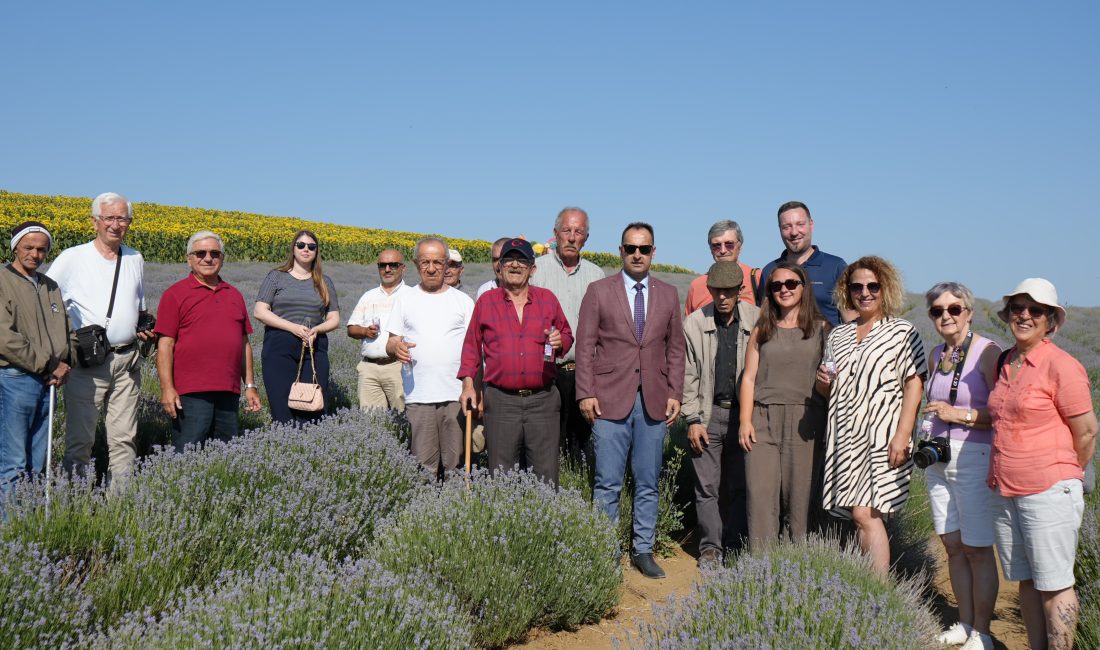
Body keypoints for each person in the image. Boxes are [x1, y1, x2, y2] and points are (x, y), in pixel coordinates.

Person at [987, 278, 1097, 650]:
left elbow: (1087, 432)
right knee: (1028, 581)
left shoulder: (1062, 365)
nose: (1025, 315)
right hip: (1006, 490)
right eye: (1018, 308)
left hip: (1048, 491)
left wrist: (1062, 474)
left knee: (1055, 585)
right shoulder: (1006, 361)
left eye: (1036, 310)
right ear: (1007, 314)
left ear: (1050, 321)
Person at [576, 222, 685, 579]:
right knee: (607, 482)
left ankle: (643, 549)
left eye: (644, 248)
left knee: (648, 481)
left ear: (653, 252)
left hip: (653, 400)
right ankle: (604, 553)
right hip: (609, 399)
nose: (637, 254)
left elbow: (675, 349)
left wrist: (675, 393)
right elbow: (585, 346)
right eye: (631, 248)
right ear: (620, 251)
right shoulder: (598, 291)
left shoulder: (668, 294)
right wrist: (585, 392)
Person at [815, 255, 925, 576]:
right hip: (846, 437)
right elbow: (828, 389)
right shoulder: (839, 335)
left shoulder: (901, 331)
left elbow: (914, 383)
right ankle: (870, 584)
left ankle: (879, 589)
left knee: (866, 514)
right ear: (847, 291)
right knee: (859, 515)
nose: (865, 293)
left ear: (885, 288)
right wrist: (823, 383)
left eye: (872, 286)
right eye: (857, 287)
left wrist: (903, 435)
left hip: (882, 438)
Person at [48, 192, 154, 485]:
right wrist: (61, 345)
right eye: (109, 218)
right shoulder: (72, 258)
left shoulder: (134, 258)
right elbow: (46, 302)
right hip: (87, 363)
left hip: (127, 360)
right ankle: (74, 498)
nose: (115, 225)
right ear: (95, 221)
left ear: (129, 223)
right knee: (80, 440)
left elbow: (140, 306)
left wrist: (146, 325)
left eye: (122, 218)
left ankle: (120, 501)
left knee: (125, 439)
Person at [918, 282, 1001, 650]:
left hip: (973, 457)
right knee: (952, 544)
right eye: (937, 311)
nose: (946, 316)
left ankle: (983, 632)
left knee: (977, 548)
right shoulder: (936, 354)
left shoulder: (988, 353)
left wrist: (959, 415)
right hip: (938, 459)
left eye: (954, 309)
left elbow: (1003, 412)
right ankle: (965, 623)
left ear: (969, 312)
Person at [459, 238, 573, 485]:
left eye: (522, 260)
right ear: (499, 267)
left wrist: (559, 341)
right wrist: (468, 386)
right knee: (501, 475)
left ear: (532, 269)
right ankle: (503, 512)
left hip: (542, 401)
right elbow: (471, 348)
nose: (514, 265)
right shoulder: (486, 302)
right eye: (508, 260)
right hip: (501, 401)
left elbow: (566, 334)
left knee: (545, 476)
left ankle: (543, 511)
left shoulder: (547, 299)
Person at [738, 263, 828, 553]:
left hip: (805, 420)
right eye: (776, 285)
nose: (784, 290)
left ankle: (793, 566)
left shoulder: (822, 329)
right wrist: (745, 421)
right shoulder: (762, 329)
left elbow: (830, 381)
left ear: (804, 287)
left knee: (798, 502)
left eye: (791, 283)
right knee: (760, 497)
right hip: (762, 419)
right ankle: (760, 566)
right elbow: (748, 378)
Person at [681, 261, 759, 566]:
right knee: (707, 487)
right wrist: (693, 419)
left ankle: (736, 545)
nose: (723, 297)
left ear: (740, 290)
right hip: (708, 413)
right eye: (717, 291)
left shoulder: (757, 319)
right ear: (710, 290)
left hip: (744, 416)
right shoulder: (694, 323)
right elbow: (688, 376)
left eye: (729, 291)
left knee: (741, 485)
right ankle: (710, 549)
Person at [154, 231, 261, 452]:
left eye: (215, 253)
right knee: (188, 450)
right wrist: (167, 388)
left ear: (222, 258)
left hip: (228, 390)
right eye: (200, 253)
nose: (208, 258)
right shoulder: (175, 294)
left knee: (225, 452)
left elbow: (244, 344)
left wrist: (250, 386)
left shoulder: (234, 295)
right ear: (189, 259)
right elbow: (165, 345)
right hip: (190, 391)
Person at [0, 222, 75, 505]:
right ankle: (9, 526)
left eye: (42, 249)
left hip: (48, 382)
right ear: (15, 248)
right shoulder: (3, 281)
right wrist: (49, 364)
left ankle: (28, 523)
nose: (35, 254)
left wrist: (65, 363)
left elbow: (66, 330)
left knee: (38, 460)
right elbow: (5, 339)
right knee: (13, 462)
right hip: (15, 380)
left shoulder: (49, 286)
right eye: (28, 247)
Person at [387, 237, 474, 477]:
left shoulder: (463, 302)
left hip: (455, 394)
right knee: (423, 465)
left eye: (438, 262)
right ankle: (426, 501)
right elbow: (391, 341)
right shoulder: (404, 299)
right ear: (416, 264)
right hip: (419, 395)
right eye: (425, 262)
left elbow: (475, 349)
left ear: (447, 264)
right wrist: (396, 347)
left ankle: (455, 500)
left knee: (456, 464)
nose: (432, 268)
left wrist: (474, 388)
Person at [531, 207, 605, 458]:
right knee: (547, 442)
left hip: (584, 373)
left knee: (580, 445)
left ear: (586, 238)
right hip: (547, 371)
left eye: (578, 232)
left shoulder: (596, 275)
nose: (572, 237)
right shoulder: (536, 270)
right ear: (555, 233)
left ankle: (577, 481)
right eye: (566, 231)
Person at [253, 230, 340, 425]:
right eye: (301, 245)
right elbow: (260, 311)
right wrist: (293, 327)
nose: (306, 249)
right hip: (279, 345)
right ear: (293, 249)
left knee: (313, 409)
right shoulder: (276, 277)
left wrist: (317, 330)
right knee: (282, 409)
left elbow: (334, 318)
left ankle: (310, 443)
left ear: (316, 252)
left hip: (314, 346)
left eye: (311, 246)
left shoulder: (324, 282)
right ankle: (286, 441)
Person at [757, 201, 850, 326]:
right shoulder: (770, 271)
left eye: (800, 224)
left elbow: (851, 321)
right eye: (786, 227)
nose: (794, 232)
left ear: (811, 225)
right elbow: (764, 320)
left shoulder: (835, 267)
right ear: (779, 230)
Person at [346, 249, 408, 411]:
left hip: (398, 367)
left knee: (404, 417)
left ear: (403, 268)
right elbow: (351, 328)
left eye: (393, 265)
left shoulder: (411, 295)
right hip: (369, 369)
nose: (387, 269)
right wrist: (365, 331)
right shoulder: (368, 296)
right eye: (382, 265)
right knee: (371, 421)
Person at [684, 220, 760, 315]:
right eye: (716, 246)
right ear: (711, 249)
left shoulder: (757, 278)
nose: (723, 250)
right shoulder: (697, 286)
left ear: (740, 247)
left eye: (729, 244)